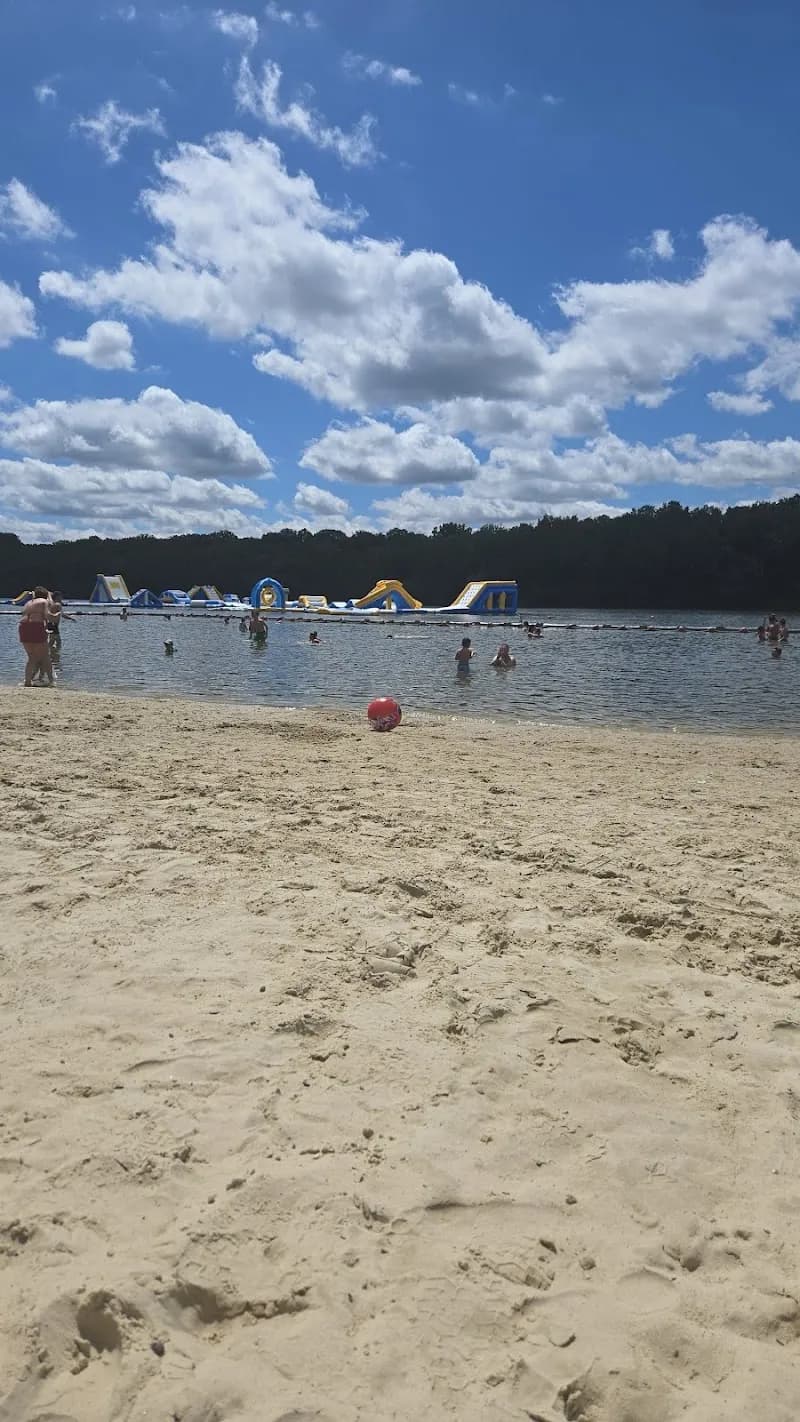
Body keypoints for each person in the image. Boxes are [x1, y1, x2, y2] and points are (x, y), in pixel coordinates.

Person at [19, 586, 56, 687]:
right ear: (45, 595)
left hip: (23, 627)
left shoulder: (28, 603)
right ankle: (51, 681)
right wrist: (49, 596)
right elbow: (48, 613)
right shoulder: (44, 601)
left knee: (31, 657)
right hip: (36, 626)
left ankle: (27, 681)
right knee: (45, 656)